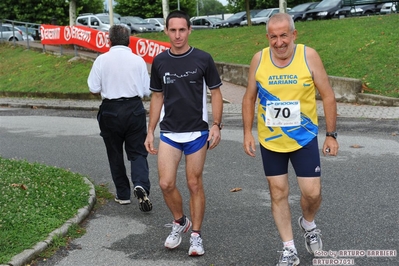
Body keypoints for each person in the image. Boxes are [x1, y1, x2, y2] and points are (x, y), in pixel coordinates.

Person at [242, 13, 339, 266]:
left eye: (284, 35)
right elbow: (249, 98)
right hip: (271, 140)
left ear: (294, 34)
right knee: (278, 193)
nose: (279, 42)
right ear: (267, 38)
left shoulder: (309, 56)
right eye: (273, 37)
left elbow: (327, 95)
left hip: (303, 138)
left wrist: (330, 135)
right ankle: (289, 249)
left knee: (312, 193)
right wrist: (246, 133)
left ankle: (308, 222)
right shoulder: (258, 59)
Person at [144, 10, 223, 256]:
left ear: (189, 30)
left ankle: (196, 236)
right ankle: (180, 222)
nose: (178, 35)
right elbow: (157, 96)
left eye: (182, 30)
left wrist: (216, 125)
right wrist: (150, 131)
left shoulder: (203, 59)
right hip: (169, 131)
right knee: (165, 183)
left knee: (193, 183)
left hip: (197, 132)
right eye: (173, 30)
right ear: (166, 31)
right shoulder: (160, 61)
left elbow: (216, 93)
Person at [88, 24, 152, 212]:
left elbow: (93, 88)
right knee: (138, 152)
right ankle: (141, 185)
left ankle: (123, 194)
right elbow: (148, 90)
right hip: (134, 108)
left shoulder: (101, 60)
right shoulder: (138, 60)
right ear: (129, 40)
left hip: (110, 110)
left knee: (114, 153)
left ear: (109, 40)